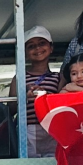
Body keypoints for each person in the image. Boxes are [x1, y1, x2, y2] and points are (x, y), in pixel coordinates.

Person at [11, 26, 63, 156]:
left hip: (52, 128)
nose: (37, 48)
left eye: (42, 43)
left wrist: (46, 97)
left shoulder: (59, 77)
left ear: (51, 48)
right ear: (25, 53)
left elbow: (62, 104)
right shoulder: (19, 78)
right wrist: (24, 98)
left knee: (52, 164)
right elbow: (10, 109)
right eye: (31, 46)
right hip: (27, 129)